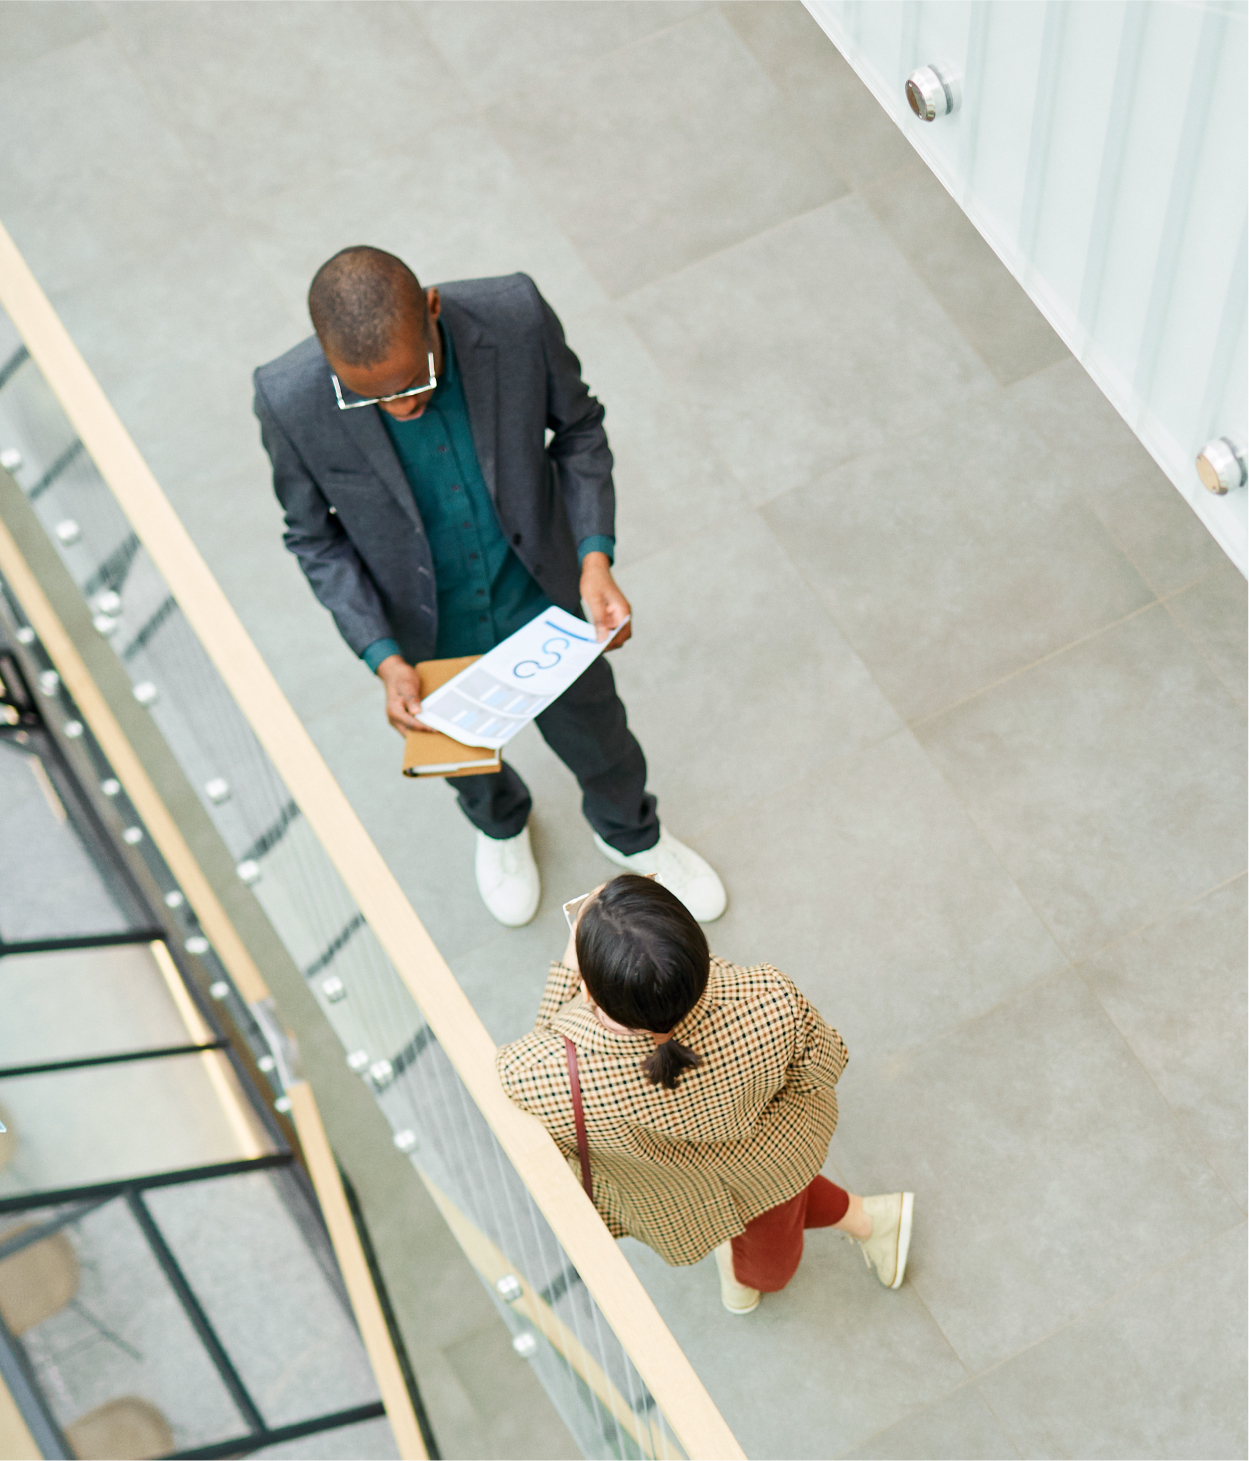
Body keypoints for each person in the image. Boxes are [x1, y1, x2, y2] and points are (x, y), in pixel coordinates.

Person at [253, 248, 725, 928]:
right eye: (373, 396)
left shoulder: (513, 315)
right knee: (462, 760)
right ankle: (501, 826)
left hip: (545, 596)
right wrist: (383, 657)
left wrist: (595, 558)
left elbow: (579, 430)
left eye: (414, 379)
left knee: (598, 733)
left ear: (433, 307)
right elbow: (313, 537)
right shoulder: (287, 397)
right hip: (423, 631)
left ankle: (631, 833)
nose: (403, 405)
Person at [496, 874, 914, 1312]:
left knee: (765, 1274)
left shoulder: (545, 1076)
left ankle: (868, 1223)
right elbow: (827, 1063)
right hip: (776, 1156)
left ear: (587, 990)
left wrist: (568, 974)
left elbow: (535, 1061)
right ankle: (872, 1220)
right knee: (775, 1213)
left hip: (677, 1190)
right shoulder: (770, 995)